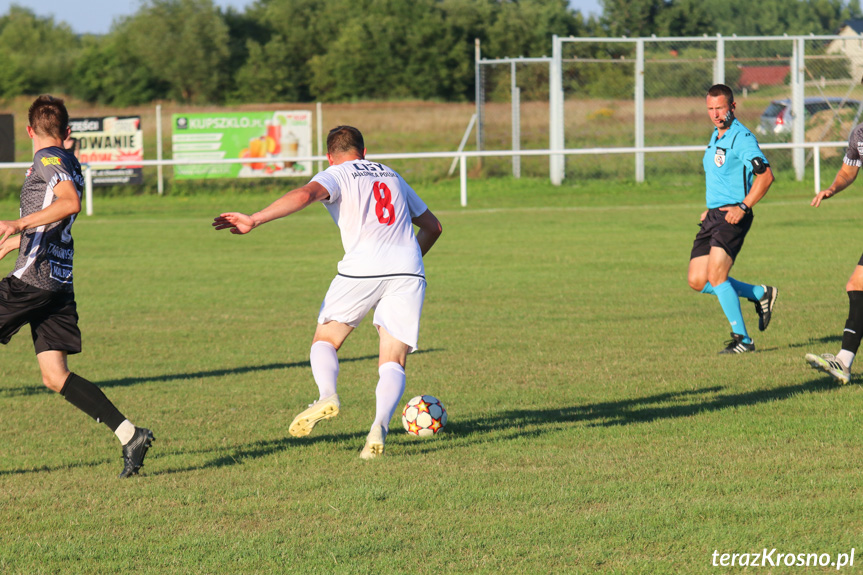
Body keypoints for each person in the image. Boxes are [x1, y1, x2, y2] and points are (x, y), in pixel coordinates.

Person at [213, 125, 442, 459]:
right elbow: (433, 227)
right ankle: (379, 426)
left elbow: (305, 195)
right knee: (393, 358)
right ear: (364, 152)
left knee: (325, 340)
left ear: (329, 157)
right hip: (408, 269)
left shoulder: (337, 174)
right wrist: (402, 263)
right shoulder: (391, 175)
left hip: (362, 267)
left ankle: (327, 395)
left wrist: (255, 219)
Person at [0, 95, 154, 478]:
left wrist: (17, 225)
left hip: (33, 281)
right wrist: (12, 242)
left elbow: (68, 204)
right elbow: (54, 217)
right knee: (54, 376)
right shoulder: (70, 160)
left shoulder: (46, 159)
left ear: (28, 130)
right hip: (57, 282)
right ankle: (130, 434)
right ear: (68, 132)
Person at [687, 84, 778, 354]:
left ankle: (744, 340)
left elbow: (766, 176)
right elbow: (721, 175)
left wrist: (744, 206)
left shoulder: (742, 137)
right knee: (697, 280)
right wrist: (710, 208)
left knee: (717, 275)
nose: (715, 114)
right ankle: (759, 293)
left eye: (720, 108)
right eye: (711, 109)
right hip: (714, 215)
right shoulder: (716, 134)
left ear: (733, 107)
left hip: (733, 215)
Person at [803, 117, 863, 384]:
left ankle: (844, 360)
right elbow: (848, 171)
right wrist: (832, 188)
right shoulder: (860, 134)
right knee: (856, 285)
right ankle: (843, 361)